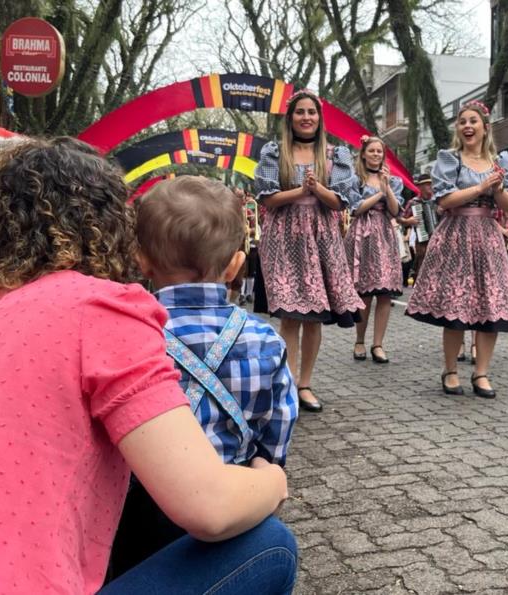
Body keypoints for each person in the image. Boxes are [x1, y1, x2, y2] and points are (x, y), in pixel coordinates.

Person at [0, 139, 296, 594]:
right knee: (271, 545)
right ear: (114, 230)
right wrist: (273, 480)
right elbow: (208, 507)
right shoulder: (98, 308)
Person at [111, 175, 299, 577]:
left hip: (139, 514)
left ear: (141, 259)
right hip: (236, 507)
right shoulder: (264, 340)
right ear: (235, 265)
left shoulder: (126, 333)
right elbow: (276, 433)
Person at [254, 89, 363, 413]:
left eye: (311, 112)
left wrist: (319, 189)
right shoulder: (275, 153)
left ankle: (305, 383)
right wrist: (301, 191)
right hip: (285, 238)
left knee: (314, 317)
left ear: (319, 118)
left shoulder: (335, 155)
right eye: (300, 112)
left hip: (321, 238)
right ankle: (286, 383)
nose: (306, 117)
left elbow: (342, 202)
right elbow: (267, 198)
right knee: (290, 316)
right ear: (291, 118)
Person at [406, 100, 508, 399]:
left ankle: (481, 372)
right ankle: (451, 369)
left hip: (488, 237)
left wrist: (497, 189)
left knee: (489, 304)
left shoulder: (500, 162)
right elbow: (444, 201)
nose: (467, 126)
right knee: (456, 305)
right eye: (462, 122)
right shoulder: (449, 159)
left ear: (485, 127)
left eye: (473, 121)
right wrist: (481, 188)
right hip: (456, 234)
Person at [345, 135, 404, 363]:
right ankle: (359, 340)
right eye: (372, 151)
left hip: (384, 235)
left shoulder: (392, 180)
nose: (376, 155)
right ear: (364, 154)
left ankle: (378, 343)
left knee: (385, 293)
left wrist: (386, 188)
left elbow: (396, 210)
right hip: (362, 234)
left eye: (380, 152)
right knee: (365, 292)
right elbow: (356, 208)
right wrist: (378, 193)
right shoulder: (355, 179)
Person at [399, 173, 435, 281]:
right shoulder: (414, 202)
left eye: (430, 184)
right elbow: (399, 219)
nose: (430, 186)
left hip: (439, 239)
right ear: (419, 187)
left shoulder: (438, 200)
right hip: (422, 240)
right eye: (426, 184)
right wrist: (408, 220)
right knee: (423, 267)